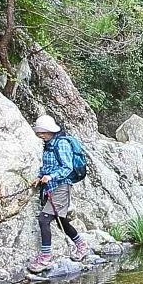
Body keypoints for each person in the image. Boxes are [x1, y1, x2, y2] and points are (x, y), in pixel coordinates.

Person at [29, 115, 87, 271]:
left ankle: (46, 257)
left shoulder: (61, 144)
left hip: (61, 186)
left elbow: (67, 167)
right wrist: (40, 177)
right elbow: (47, 165)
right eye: (39, 132)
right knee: (61, 221)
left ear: (50, 131)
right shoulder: (48, 145)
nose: (40, 135)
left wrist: (51, 176)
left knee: (44, 219)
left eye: (43, 132)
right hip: (50, 187)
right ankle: (81, 244)